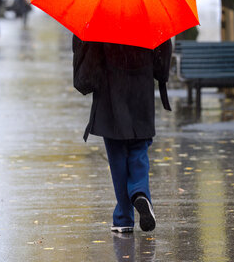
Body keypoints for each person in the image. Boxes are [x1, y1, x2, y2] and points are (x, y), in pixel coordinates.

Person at [72, 35, 172, 233]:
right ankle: (140, 192)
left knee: (117, 157)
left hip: (110, 94)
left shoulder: (100, 20)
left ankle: (124, 218)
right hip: (141, 93)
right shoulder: (149, 18)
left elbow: (87, 59)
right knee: (139, 150)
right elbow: (163, 58)